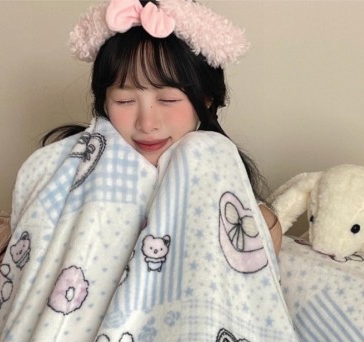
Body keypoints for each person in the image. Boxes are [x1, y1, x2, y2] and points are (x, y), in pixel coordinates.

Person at [47, 0, 282, 253]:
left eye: (168, 100)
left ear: (206, 98)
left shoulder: (246, 213)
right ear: (104, 100)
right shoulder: (67, 171)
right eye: (124, 101)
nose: (147, 124)